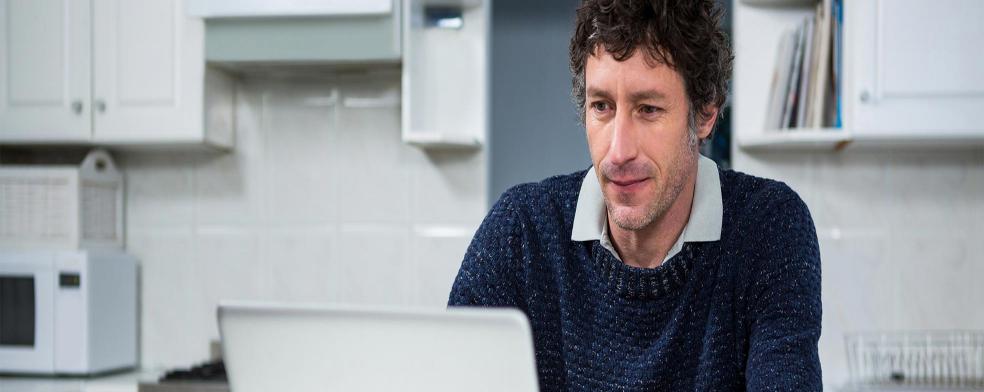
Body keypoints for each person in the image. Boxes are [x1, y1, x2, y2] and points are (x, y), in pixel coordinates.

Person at [448, 0, 822, 390]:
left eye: (648, 109)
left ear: (705, 113)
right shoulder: (520, 231)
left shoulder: (769, 227)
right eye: (602, 107)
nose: (618, 151)